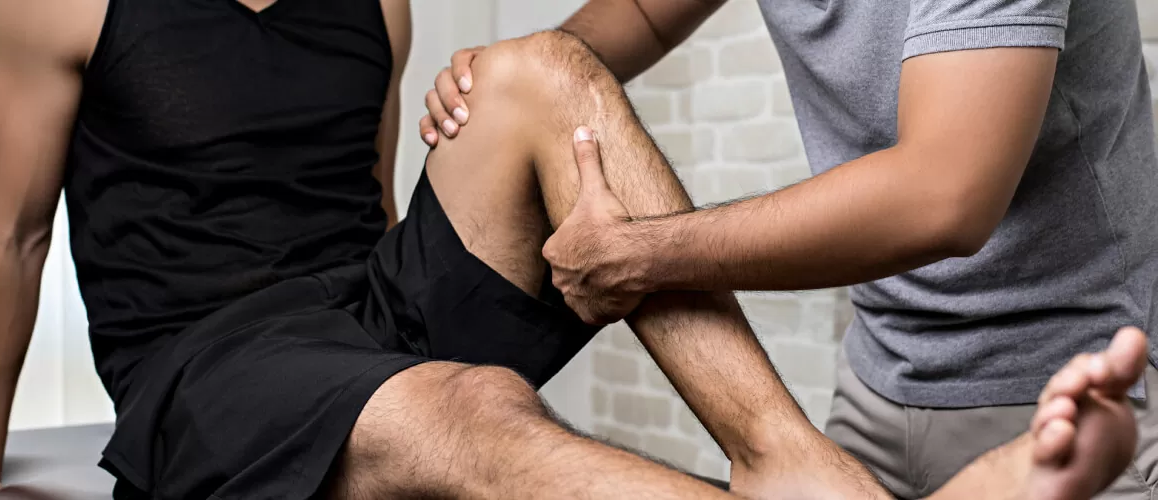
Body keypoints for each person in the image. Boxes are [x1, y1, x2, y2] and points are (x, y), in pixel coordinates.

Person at [0, 0, 1144, 499]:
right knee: (469, 398)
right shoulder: (54, 3)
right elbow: (8, 232)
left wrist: (521, 113)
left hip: (348, 308)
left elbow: (371, 201)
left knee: (547, 67)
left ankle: (784, 463)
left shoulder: (373, 0)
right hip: (201, 362)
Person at [424, 0, 1158, 497]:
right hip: (878, 381)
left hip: (1073, 386)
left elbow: (946, 196)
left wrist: (642, 252)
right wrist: (518, 80)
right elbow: (642, 15)